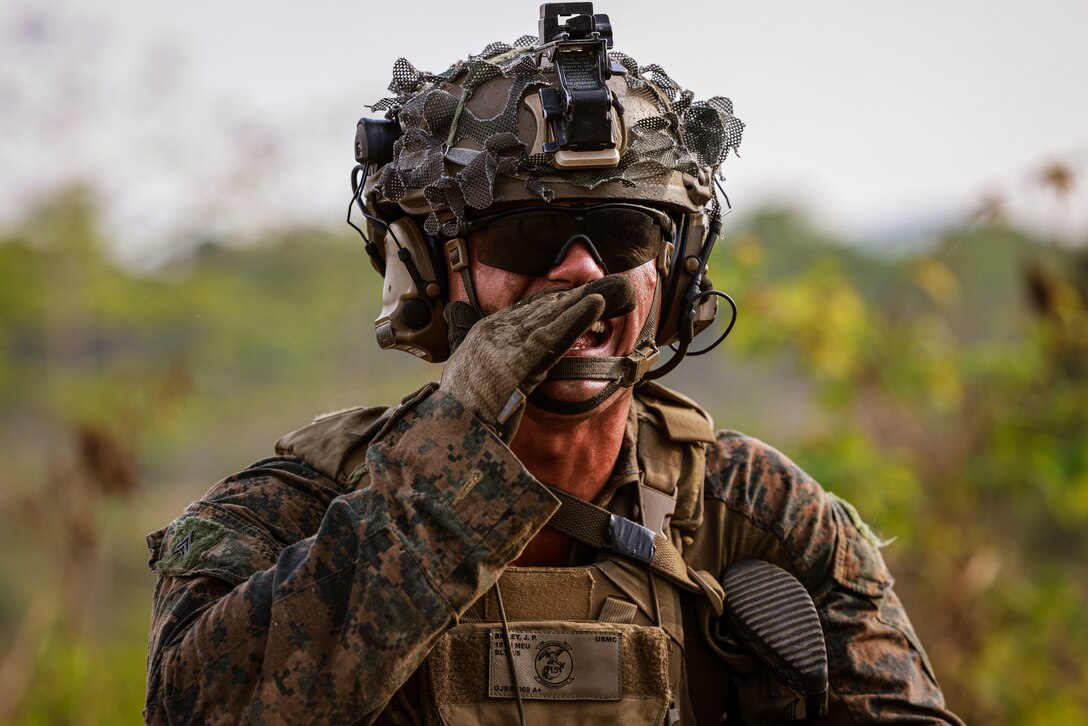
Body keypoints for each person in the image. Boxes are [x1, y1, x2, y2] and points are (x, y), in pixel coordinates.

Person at [144, 5, 963, 724]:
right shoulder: (285, 515)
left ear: (672, 275)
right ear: (435, 271)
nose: (578, 273)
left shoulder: (758, 514)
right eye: (524, 240)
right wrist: (446, 470)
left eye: (622, 237)